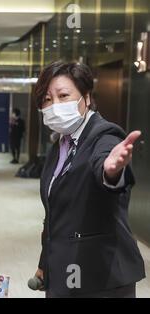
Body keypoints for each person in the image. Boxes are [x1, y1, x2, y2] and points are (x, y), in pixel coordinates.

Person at [33, 61, 145, 298]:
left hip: (101, 275)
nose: (55, 106)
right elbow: (55, 214)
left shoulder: (105, 134)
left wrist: (111, 170)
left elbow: (106, 169)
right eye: (47, 99)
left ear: (86, 96)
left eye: (64, 96)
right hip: (63, 271)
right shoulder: (60, 144)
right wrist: (45, 263)